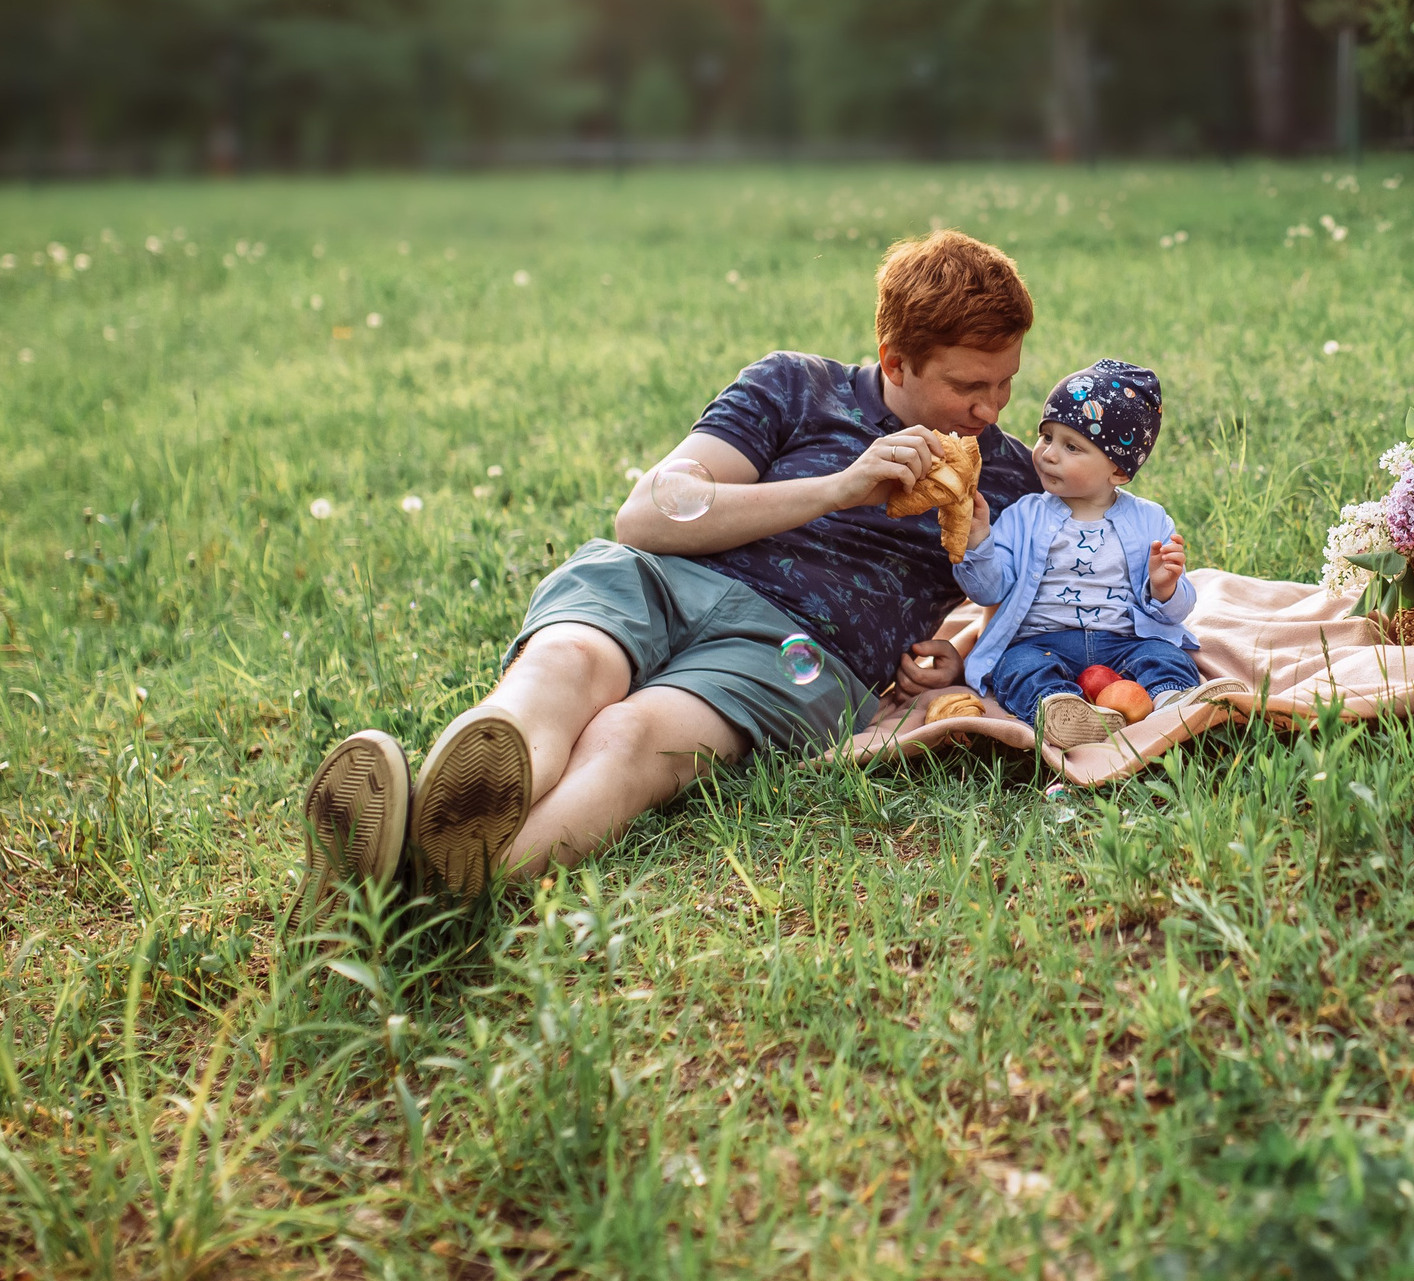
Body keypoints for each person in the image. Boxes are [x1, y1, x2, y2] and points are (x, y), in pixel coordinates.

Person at [281, 230, 1045, 930]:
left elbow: (1044, 601)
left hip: (795, 651)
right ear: (895, 360)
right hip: (661, 577)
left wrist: (955, 650)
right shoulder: (795, 385)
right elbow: (647, 515)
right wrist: (837, 489)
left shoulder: (1011, 480)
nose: (990, 408)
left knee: (630, 736)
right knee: (563, 666)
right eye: (967, 385)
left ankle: (413, 890)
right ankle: (440, 824)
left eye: (1005, 383)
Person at [951, 358, 1240, 747]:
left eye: (1071, 446)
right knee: (1017, 667)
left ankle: (1174, 700)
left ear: (1118, 470)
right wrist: (978, 541)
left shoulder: (1150, 520)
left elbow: (1175, 614)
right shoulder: (1024, 515)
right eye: (1046, 436)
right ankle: (1058, 708)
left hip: (1124, 642)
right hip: (1041, 642)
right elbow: (988, 592)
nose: (1049, 454)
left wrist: (1165, 587)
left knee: (1164, 656)